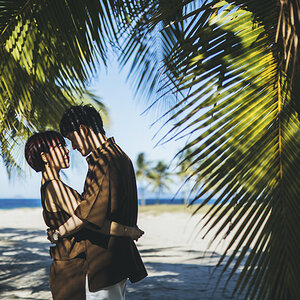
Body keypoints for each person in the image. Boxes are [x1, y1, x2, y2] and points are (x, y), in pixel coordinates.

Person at [24, 131, 144, 300]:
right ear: (44, 157)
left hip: (68, 266)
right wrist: (128, 231)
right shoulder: (56, 188)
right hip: (74, 269)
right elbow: (91, 220)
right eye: (59, 146)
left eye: (64, 145)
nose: (67, 150)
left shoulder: (49, 186)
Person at [53, 104, 148, 299]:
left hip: (104, 263)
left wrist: (57, 233)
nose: (73, 147)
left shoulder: (105, 161)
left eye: (72, 139)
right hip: (115, 260)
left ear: (83, 130)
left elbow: (87, 217)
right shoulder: (119, 155)